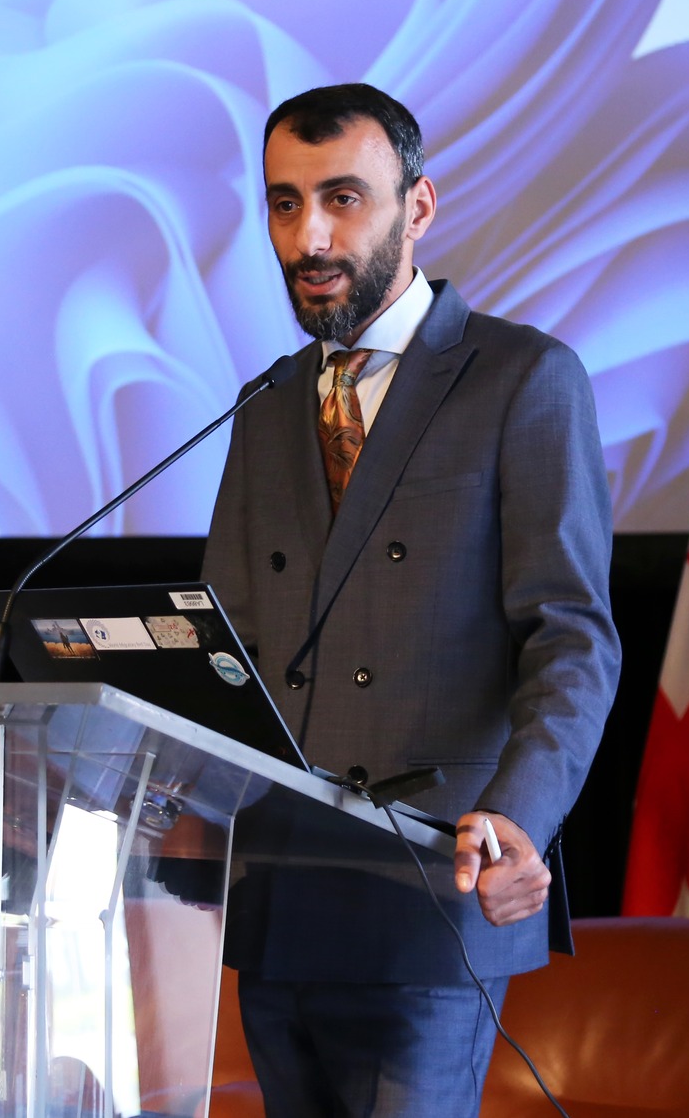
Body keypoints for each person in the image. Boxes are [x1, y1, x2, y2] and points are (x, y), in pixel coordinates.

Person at [202, 83, 621, 1117]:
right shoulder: (266, 406)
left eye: (342, 199)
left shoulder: (521, 378)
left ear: (418, 207)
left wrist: (520, 818)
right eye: (285, 204)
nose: (310, 236)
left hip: (433, 890)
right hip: (277, 895)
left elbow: (570, 638)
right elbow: (226, 648)